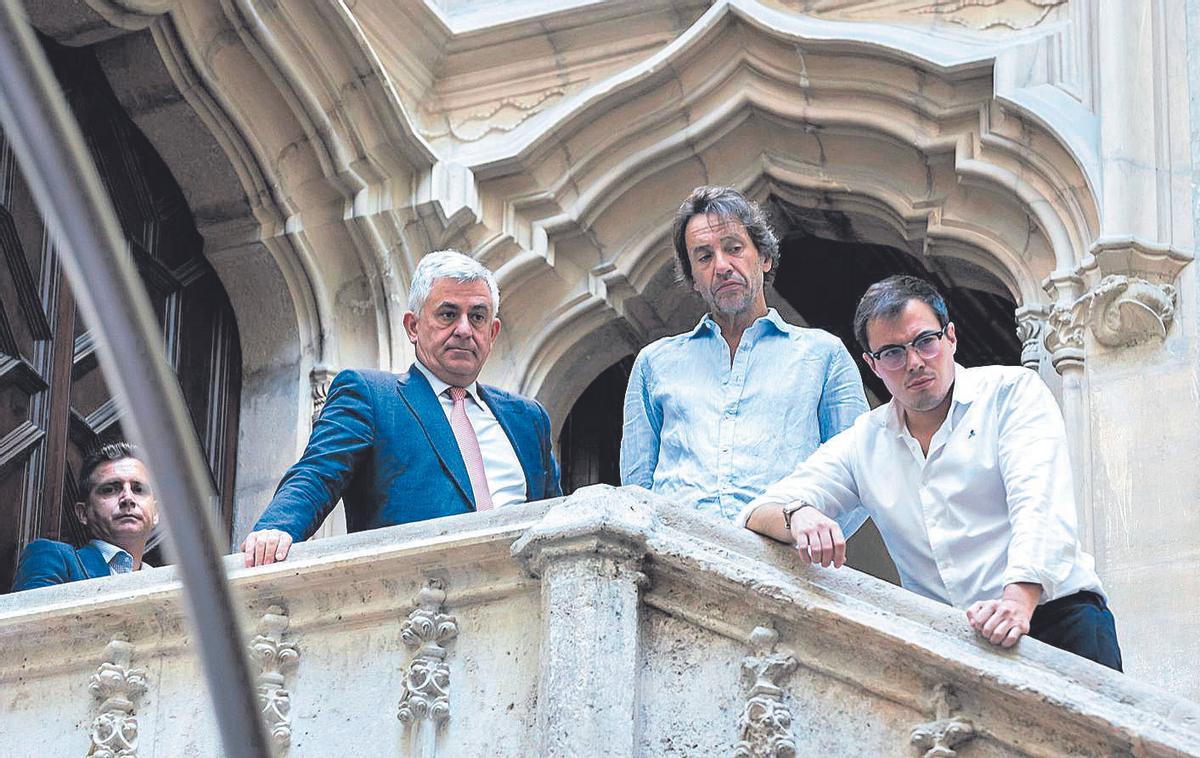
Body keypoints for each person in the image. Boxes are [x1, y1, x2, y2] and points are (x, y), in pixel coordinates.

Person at [740, 275, 1122, 670]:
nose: (915, 362)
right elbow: (756, 512)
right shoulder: (864, 442)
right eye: (892, 353)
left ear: (950, 337)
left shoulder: (1011, 393)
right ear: (872, 365)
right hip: (956, 646)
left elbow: (1039, 504)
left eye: (925, 341)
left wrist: (1017, 602)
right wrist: (798, 513)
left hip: (1056, 619)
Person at [242, 250, 561, 567]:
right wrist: (277, 528)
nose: (464, 330)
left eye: (477, 317)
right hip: (420, 590)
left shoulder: (527, 419)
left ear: (492, 333)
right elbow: (317, 474)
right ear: (413, 326)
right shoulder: (371, 396)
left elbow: (556, 519)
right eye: (448, 314)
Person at [620, 185, 869, 530]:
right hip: (676, 551)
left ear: (764, 258)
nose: (722, 266)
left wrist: (806, 544)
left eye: (734, 248)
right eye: (704, 257)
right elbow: (636, 490)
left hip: (783, 554)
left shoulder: (823, 356)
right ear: (693, 279)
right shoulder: (654, 364)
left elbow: (858, 474)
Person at [11, 442, 159, 591]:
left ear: (156, 513)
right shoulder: (51, 558)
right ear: (83, 513)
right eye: (109, 489)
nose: (128, 498)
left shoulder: (166, 583)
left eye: (138, 489)